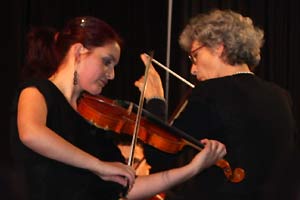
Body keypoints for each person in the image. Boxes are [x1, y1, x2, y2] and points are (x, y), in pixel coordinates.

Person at [9, 16, 226, 200]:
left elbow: (129, 186)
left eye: (114, 66)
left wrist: (192, 169)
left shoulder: (94, 123)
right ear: (79, 51)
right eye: (106, 61)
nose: (112, 75)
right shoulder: (37, 90)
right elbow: (32, 133)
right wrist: (98, 166)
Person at [135, 9, 298, 200]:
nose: (193, 69)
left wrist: (155, 100)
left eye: (195, 56)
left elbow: (159, 157)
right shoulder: (281, 96)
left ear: (219, 48)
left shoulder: (209, 92)